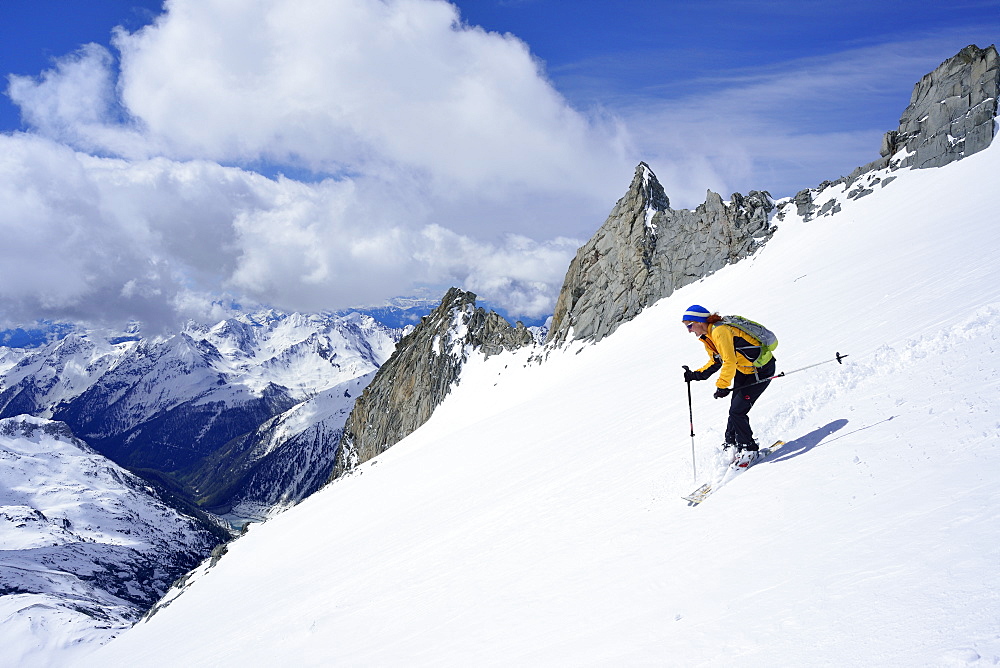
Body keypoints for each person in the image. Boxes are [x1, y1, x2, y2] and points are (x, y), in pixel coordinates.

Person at [681, 305, 776, 468]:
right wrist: (696, 375)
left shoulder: (719, 331)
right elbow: (716, 360)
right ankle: (731, 445)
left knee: (737, 411)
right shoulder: (708, 336)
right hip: (744, 370)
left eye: (689, 325)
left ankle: (749, 450)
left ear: (699, 321)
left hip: (761, 370)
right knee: (734, 409)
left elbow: (729, 360)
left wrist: (722, 386)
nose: (689, 331)